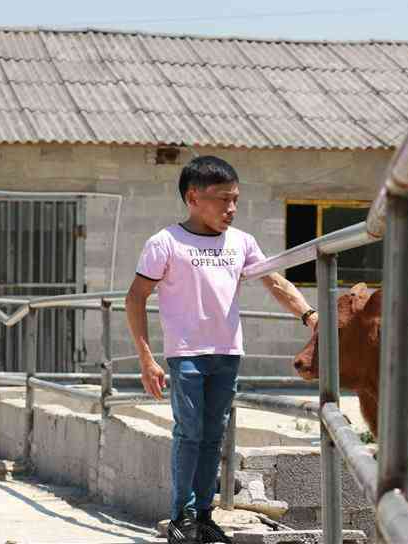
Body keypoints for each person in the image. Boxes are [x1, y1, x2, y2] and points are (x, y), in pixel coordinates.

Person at [125, 155, 319, 544]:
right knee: (189, 433)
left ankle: (204, 515)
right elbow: (135, 298)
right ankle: (180, 516)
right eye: (222, 200)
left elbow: (275, 282)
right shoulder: (165, 243)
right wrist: (146, 359)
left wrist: (310, 316)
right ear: (193, 197)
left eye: (235, 200)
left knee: (214, 436)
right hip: (186, 356)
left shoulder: (241, 242)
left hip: (228, 353)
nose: (230, 209)